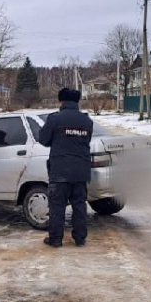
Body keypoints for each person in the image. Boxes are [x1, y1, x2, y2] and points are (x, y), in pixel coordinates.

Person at [38, 88, 93, 247]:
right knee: (79, 205)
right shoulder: (87, 121)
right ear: (77, 102)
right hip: (81, 170)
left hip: (60, 170)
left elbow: (43, 140)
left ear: (61, 101)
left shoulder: (55, 119)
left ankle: (55, 239)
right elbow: (85, 141)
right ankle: (80, 238)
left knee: (57, 206)